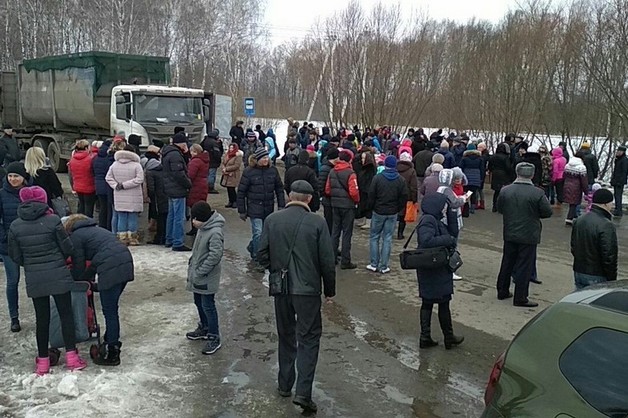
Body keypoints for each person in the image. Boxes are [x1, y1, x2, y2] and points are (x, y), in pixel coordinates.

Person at [257, 180, 336, 414]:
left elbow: (260, 254)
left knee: (286, 335)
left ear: (289, 196)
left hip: (281, 289)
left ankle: (284, 384)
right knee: (309, 339)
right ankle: (303, 392)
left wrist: (276, 269)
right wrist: (329, 290)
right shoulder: (318, 223)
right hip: (308, 291)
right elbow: (327, 262)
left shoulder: (272, 220)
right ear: (309, 199)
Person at [8, 186, 86, 375]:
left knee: (42, 320)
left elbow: (14, 256)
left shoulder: (15, 225)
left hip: (35, 278)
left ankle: (42, 362)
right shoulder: (52, 221)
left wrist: (31, 263)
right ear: (43, 201)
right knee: (66, 315)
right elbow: (67, 248)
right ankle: (72, 357)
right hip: (58, 274)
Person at [64, 214, 134, 366]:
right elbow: (96, 262)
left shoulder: (76, 236)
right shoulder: (98, 231)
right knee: (112, 307)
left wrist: (75, 279)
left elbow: (79, 265)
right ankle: (109, 340)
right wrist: (89, 281)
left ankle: (112, 352)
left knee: (110, 311)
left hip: (111, 268)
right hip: (125, 262)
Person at [496, 163, 552, 307]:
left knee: (507, 262)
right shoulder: (538, 193)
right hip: (529, 233)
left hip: (509, 231)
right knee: (524, 266)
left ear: (516, 172)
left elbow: (500, 208)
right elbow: (547, 212)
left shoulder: (505, 190)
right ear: (532, 175)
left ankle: (502, 290)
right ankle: (520, 297)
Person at [416, 192, 463, 350]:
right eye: (443, 206)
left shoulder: (435, 219)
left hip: (436, 267)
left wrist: (452, 212)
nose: (444, 209)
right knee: (435, 303)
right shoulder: (428, 220)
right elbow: (426, 241)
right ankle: (437, 336)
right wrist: (447, 240)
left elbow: (454, 233)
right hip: (432, 268)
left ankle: (437, 336)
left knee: (438, 302)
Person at [185, 202, 225, 355]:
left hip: (206, 276)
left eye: (194, 219)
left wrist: (201, 270)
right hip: (198, 275)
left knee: (208, 304)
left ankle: (214, 336)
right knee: (198, 302)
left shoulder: (214, 232)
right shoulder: (203, 229)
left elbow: (215, 255)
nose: (192, 222)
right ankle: (205, 327)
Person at [237, 148, 285, 269]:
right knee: (258, 232)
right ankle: (258, 258)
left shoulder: (273, 171)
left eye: (267, 157)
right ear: (257, 159)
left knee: (265, 233)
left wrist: (281, 205)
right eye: (263, 158)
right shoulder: (249, 171)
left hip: (268, 207)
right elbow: (241, 192)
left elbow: (279, 188)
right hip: (254, 207)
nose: (266, 159)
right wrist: (242, 210)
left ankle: (253, 246)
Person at [366, 156, 408, 274]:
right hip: (392, 212)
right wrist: (397, 208)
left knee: (374, 237)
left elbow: (371, 195)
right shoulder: (401, 180)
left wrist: (371, 207)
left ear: (385, 164)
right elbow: (404, 197)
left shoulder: (377, 178)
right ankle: (384, 266)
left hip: (378, 211)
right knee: (387, 238)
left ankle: (374, 264)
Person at [1, 163, 30, 332]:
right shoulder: (2, 194)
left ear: (23, 178)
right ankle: (14, 317)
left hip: (28, 243)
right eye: (10, 176)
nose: (12, 179)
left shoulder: (29, 192)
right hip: (8, 246)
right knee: (12, 281)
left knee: (33, 280)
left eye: (16, 176)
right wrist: (4, 238)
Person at [570, 188, 617, 289]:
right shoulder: (606, 225)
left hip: (579, 270)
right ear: (605, 204)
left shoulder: (580, 220)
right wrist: (612, 279)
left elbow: (573, 246)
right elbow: (609, 256)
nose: (612, 206)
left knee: (579, 300)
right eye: (611, 203)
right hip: (597, 274)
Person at [325, 149, 360, 269]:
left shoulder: (332, 171)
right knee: (347, 233)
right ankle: (345, 260)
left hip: (335, 204)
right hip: (348, 206)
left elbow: (327, 190)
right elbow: (354, 192)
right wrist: (356, 201)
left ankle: (332, 258)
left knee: (335, 232)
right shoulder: (351, 173)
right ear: (350, 159)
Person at [105, 146, 144, 246]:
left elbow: (108, 178)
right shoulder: (136, 165)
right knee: (132, 217)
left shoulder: (115, 164)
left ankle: (122, 238)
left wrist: (116, 185)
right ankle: (132, 239)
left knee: (121, 216)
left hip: (119, 194)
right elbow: (140, 179)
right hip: (133, 196)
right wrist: (125, 185)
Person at [162, 132, 192, 252]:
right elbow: (179, 174)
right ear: (182, 143)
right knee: (179, 217)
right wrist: (188, 184)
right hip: (177, 189)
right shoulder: (175, 155)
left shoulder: (167, 152)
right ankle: (178, 242)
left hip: (169, 188)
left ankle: (169, 239)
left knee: (171, 215)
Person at [145, 148, 168, 245]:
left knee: (159, 217)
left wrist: (150, 197)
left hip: (156, 198)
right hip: (164, 196)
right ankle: (164, 236)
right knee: (164, 217)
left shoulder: (150, 172)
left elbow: (151, 188)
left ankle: (159, 238)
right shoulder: (163, 170)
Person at [68, 140, 96, 218]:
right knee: (88, 208)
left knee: (81, 205)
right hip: (89, 187)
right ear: (86, 148)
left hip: (78, 186)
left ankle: (79, 221)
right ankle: (88, 224)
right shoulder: (90, 159)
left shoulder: (73, 159)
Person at [186, 144, 209, 236]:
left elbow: (190, 175)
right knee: (200, 207)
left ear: (194, 151)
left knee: (194, 208)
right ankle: (199, 227)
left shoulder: (195, 161)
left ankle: (195, 228)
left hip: (196, 186)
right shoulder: (204, 160)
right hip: (202, 185)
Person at [92, 140, 115, 230]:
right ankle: (108, 227)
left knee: (102, 208)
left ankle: (102, 225)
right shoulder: (108, 159)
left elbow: (93, 171)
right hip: (107, 186)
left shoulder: (95, 158)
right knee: (109, 208)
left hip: (98, 185)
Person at [458, 144, 485, 213]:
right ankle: (473, 207)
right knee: (473, 192)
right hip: (476, 177)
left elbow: (460, 168)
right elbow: (482, 169)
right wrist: (481, 178)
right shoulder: (480, 158)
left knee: (466, 192)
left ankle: (465, 206)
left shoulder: (464, 158)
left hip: (466, 176)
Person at [396, 152, 417, 239]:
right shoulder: (411, 171)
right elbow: (413, 186)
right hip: (406, 195)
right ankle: (400, 234)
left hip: (394, 193)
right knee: (402, 216)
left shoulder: (395, 168)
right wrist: (414, 199)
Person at [353, 150, 376, 229]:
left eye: (363, 158)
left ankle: (368, 221)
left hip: (367, 190)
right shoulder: (363, 168)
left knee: (367, 206)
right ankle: (364, 220)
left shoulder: (370, 169)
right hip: (363, 190)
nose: (361, 160)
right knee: (363, 205)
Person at [563, 155, 589, 225]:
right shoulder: (581, 167)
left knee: (571, 202)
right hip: (576, 187)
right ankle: (569, 218)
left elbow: (564, 176)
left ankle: (574, 216)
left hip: (567, 184)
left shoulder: (567, 165)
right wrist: (586, 191)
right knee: (574, 203)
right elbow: (584, 180)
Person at [488, 143, 514, 212]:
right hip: (503, 175)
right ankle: (501, 206)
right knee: (503, 191)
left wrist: (492, 170)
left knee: (496, 191)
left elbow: (489, 166)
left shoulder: (493, 156)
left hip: (495, 174)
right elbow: (508, 167)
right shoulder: (506, 157)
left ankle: (494, 206)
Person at [318, 147, 338, 234]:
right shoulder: (326, 168)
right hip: (328, 200)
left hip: (332, 199)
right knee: (329, 223)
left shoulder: (330, 167)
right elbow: (321, 185)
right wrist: (325, 195)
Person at [221, 142, 243, 208]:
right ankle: (230, 201)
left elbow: (237, 165)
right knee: (228, 188)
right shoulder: (226, 154)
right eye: (230, 148)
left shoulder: (238, 156)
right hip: (227, 174)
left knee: (232, 188)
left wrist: (227, 169)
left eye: (232, 148)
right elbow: (223, 162)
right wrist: (223, 168)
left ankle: (235, 201)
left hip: (233, 174)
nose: (231, 149)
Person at [201, 130, 223, 195]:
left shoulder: (205, 140)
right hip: (213, 161)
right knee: (212, 174)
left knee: (207, 174)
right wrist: (219, 159)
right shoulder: (214, 143)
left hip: (205, 160)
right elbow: (217, 153)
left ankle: (205, 186)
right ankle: (210, 187)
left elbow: (200, 147)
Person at [610, 145, 628, 217]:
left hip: (619, 181)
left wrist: (620, 181)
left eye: (619, 151)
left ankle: (618, 211)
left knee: (618, 196)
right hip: (616, 180)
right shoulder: (619, 159)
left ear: (622, 152)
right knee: (616, 195)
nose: (617, 152)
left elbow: (624, 171)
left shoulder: (624, 160)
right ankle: (617, 209)